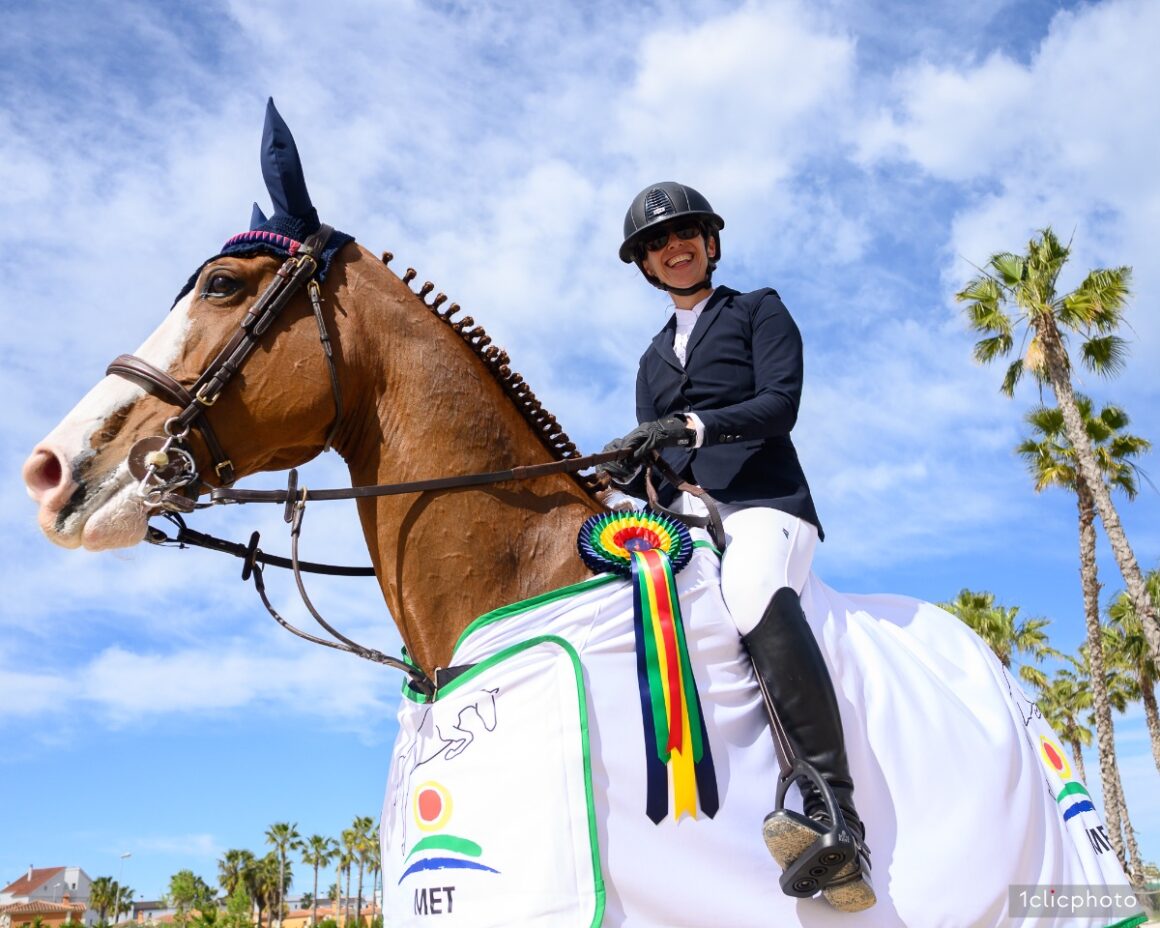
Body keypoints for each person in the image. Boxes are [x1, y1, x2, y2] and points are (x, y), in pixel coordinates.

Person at [599, 182, 874, 912]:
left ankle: (835, 812)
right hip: (690, 518)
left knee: (750, 587)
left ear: (710, 242)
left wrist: (690, 428)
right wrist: (632, 469)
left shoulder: (758, 310)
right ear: (646, 265)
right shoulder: (652, 359)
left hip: (766, 506)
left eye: (685, 232)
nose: (673, 246)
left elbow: (780, 405)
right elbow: (655, 463)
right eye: (657, 243)